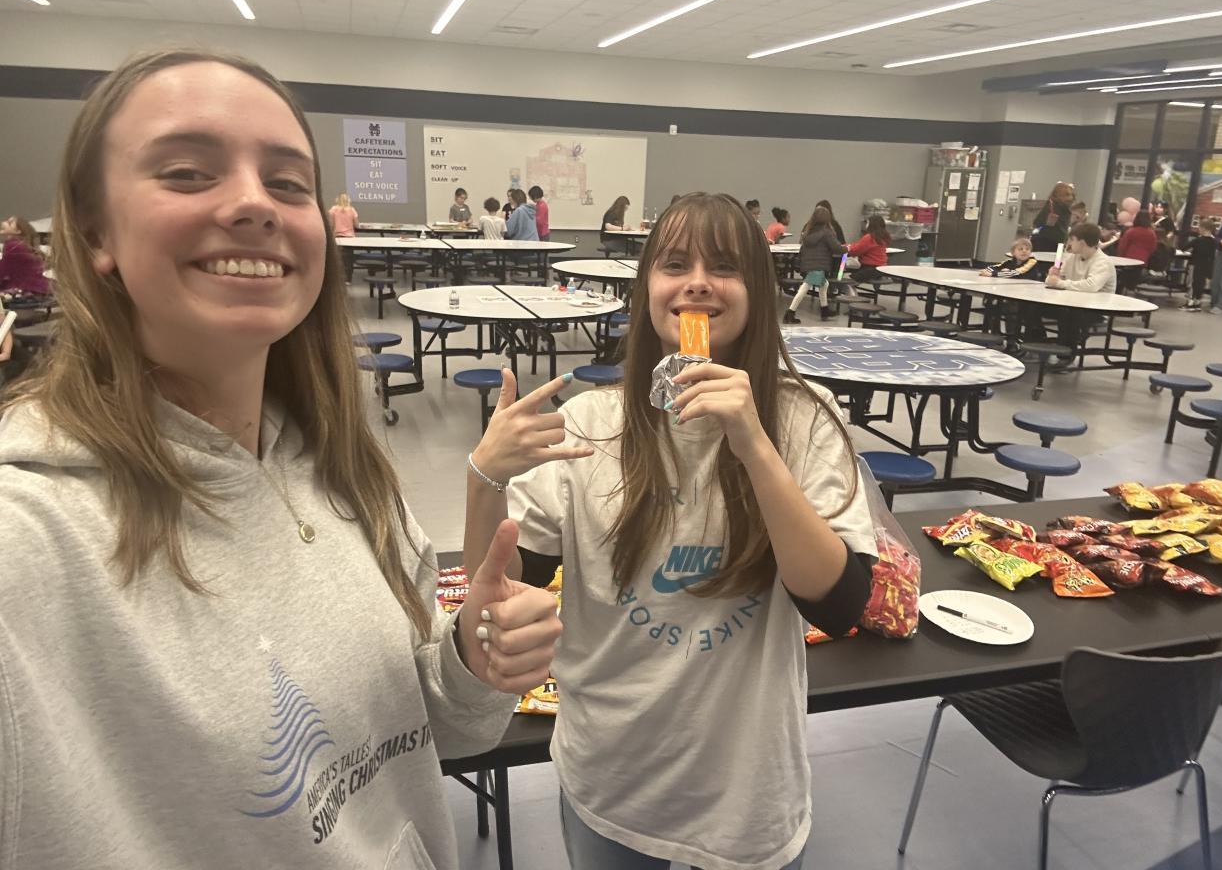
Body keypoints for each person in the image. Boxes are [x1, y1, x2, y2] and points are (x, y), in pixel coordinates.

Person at [0, 47, 567, 870]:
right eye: (188, 173)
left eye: (288, 183)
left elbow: (426, 732)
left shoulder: (343, 469)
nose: (253, 203)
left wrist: (473, 666)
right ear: (96, 232)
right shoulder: (27, 540)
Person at [469, 191, 874, 870]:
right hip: (611, 779)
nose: (697, 284)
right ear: (646, 289)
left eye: (725, 267)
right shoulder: (590, 424)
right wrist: (484, 475)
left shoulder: (807, 417)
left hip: (747, 792)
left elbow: (838, 604)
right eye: (675, 264)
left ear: (758, 292)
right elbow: (504, 585)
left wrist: (754, 443)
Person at [1024, 223, 1115, 369]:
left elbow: (1091, 286)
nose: (1069, 243)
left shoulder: (1103, 262)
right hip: (1071, 302)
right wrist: (1052, 275)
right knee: (1032, 306)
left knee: (1070, 314)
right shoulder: (1073, 257)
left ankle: (1066, 356)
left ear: (1082, 243)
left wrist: (1060, 282)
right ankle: (1038, 344)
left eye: (1072, 239)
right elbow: (1056, 279)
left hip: (1094, 309)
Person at [783, 206, 844, 323]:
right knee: (805, 288)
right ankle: (790, 312)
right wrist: (847, 249)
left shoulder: (808, 232)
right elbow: (836, 248)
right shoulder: (827, 233)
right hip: (819, 265)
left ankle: (824, 310)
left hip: (808, 264)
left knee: (824, 285)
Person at [0, 215, 52, 301]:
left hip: (26, 289)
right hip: (36, 287)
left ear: (18, 231)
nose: (3, 223)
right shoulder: (19, 245)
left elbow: (3, 270)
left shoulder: (13, 246)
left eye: (9, 223)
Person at [1115, 211, 1158, 293]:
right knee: (1134, 278)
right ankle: (1131, 289)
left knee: (1122, 278)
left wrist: (1120, 258)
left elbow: (1122, 246)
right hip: (1142, 261)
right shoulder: (1152, 233)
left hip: (1128, 259)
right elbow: (1153, 247)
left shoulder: (1131, 231)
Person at [844, 214, 891, 284]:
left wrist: (845, 247)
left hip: (869, 269)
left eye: (867, 222)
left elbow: (856, 251)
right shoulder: (882, 237)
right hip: (880, 269)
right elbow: (860, 246)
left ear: (871, 224)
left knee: (846, 278)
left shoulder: (869, 237)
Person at [1183, 219, 1218, 312]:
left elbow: (1184, 247)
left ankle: (1190, 303)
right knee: (1200, 284)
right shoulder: (1214, 242)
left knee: (1192, 283)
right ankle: (1197, 303)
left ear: (1203, 228)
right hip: (1205, 266)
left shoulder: (1198, 240)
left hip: (1195, 264)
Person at [1030, 182, 1074, 251]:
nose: (1070, 198)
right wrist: (1046, 223)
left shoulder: (1066, 209)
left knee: (1057, 258)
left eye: (1071, 195)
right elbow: (1037, 224)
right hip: (1045, 243)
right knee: (1050, 258)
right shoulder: (1051, 207)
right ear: (1058, 195)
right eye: (1067, 195)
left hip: (1059, 243)